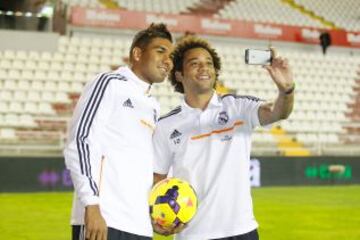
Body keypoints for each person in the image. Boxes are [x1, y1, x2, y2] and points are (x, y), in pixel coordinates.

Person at [152, 37, 294, 240]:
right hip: (193, 235)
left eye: (209, 63)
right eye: (195, 63)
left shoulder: (239, 107)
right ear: (179, 75)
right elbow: (157, 179)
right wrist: (157, 217)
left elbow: (278, 112)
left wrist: (286, 90)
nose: (204, 68)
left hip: (241, 231)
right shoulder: (166, 125)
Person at [63, 23, 173, 240]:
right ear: (137, 53)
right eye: (161, 51)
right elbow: (81, 141)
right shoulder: (109, 83)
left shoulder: (153, 105)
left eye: (171, 56)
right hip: (104, 220)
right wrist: (91, 203)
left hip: (140, 226)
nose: (168, 61)